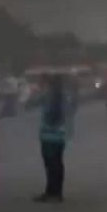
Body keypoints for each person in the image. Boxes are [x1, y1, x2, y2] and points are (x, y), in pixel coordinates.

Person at [35, 74, 73, 202]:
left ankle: (50, 191)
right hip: (60, 136)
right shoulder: (64, 96)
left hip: (47, 135)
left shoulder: (47, 96)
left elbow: (32, 103)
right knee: (58, 164)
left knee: (50, 165)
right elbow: (69, 114)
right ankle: (58, 193)